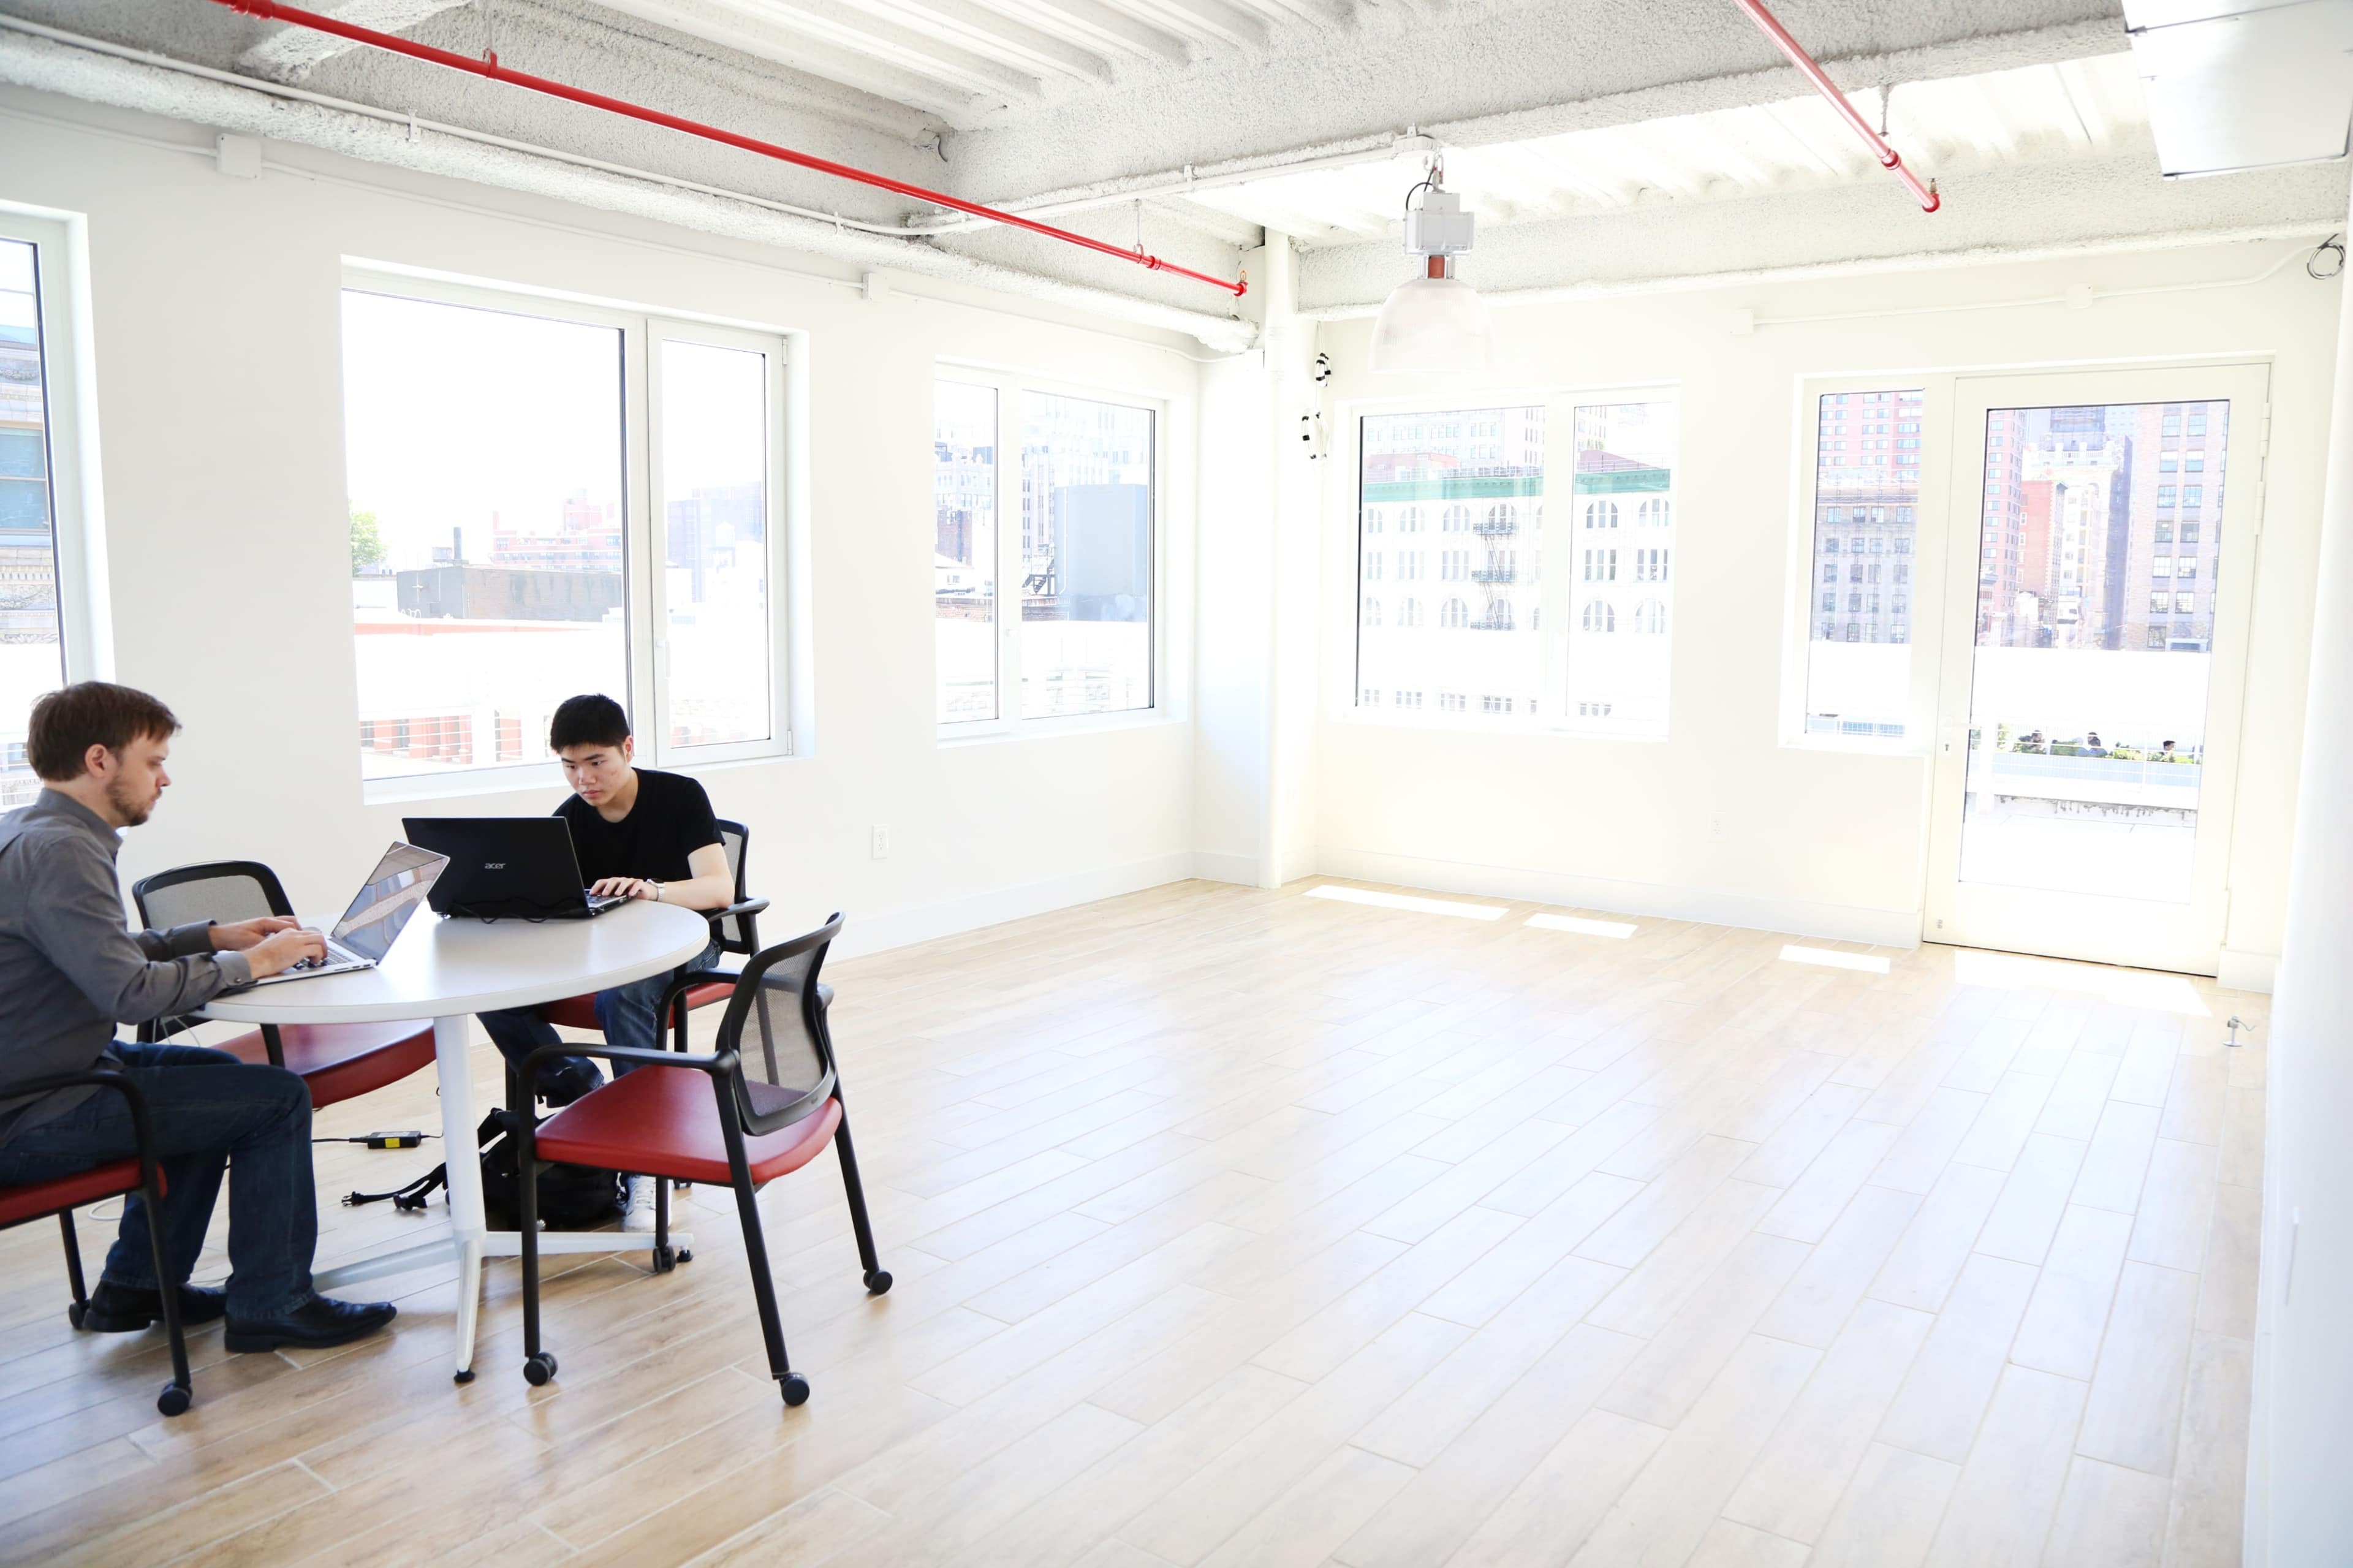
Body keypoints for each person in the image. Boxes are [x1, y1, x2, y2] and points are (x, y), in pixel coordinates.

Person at [0, 683, 397, 1350]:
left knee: (216, 1082)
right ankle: (273, 1303)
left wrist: (210, 937)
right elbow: (132, 995)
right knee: (273, 1098)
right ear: (100, 761)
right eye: (152, 761)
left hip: (49, 1072)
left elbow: (89, 953)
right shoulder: (64, 852)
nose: (165, 778)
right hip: (34, 1110)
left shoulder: (29, 829)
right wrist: (261, 963)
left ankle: (137, 1287)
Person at [476, 694, 732, 1230]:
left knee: (624, 994)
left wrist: (652, 890)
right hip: (606, 949)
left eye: (597, 762)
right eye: (570, 766)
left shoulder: (680, 796)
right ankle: (584, 1088)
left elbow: (719, 889)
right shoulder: (568, 820)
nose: (584, 779)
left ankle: (645, 1152)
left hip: (686, 942)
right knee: (492, 992)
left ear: (628, 748)